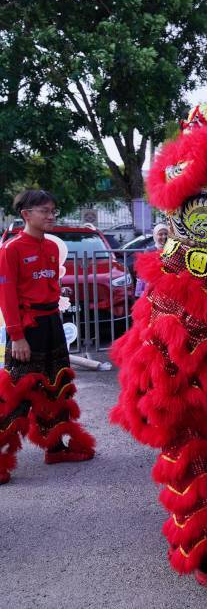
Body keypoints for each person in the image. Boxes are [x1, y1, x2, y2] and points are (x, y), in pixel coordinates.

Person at [0, 189, 96, 484]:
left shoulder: (52, 247)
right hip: (27, 329)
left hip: (52, 323)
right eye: (44, 211)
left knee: (56, 386)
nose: (51, 215)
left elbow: (47, 284)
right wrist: (17, 336)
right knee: (16, 393)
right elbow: (7, 296)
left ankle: (55, 447)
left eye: (53, 210)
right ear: (26, 215)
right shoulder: (11, 249)